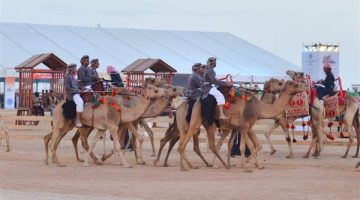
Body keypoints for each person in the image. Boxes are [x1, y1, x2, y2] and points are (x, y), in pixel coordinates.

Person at [64, 63, 84, 128]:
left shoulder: (74, 77)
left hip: (77, 93)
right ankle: (77, 120)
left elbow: (76, 87)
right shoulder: (68, 77)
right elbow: (67, 89)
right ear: (71, 69)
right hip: (72, 95)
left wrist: (82, 89)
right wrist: (78, 91)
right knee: (80, 101)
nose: (76, 69)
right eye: (75, 68)